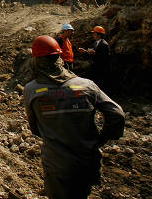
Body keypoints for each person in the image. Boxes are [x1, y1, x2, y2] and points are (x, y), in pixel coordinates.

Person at [24, 35, 124, 199]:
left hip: (57, 164)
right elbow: (116, 113)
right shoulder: (86, 85)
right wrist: (100, 140)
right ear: (59, 57)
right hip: (87, 161)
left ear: (36, 61)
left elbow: (35, 128)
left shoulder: (31, 90)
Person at [78, 26, 110, 90]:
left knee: (100, 86)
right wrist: (85, 52)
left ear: (99, 35)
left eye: (94, 34)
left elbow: (105, 58)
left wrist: (95, 53)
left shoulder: (104, 45)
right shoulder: (95, 43)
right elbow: (91, 54)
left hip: (101, 69)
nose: (93, 35)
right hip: (95, 67)